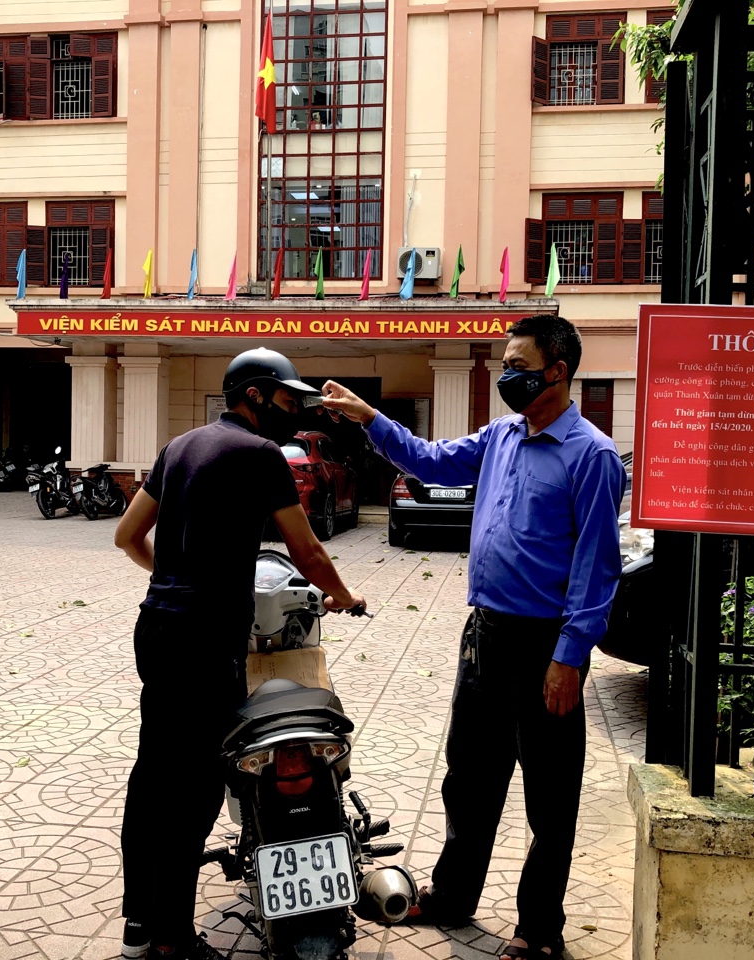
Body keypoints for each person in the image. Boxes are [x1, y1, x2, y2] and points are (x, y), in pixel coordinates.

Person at [320, 314, 625, 960]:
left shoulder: (592, 456)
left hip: (546, 647)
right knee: (470, 778)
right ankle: (454, 895)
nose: (507, 376)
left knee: (549, 797)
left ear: (557, 372)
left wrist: (569, 657)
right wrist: (369, 418)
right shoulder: (501, 436)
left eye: (518, 366)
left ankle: (539, 930)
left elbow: (597, 567)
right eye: (505, 365)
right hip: (484, 635)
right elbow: (429, 461)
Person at [114, 347, 367, 960]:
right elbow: (307, 551)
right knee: (197, 785)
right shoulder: (261, 454)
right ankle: (172, 938)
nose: (294, 410)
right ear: (254, 394)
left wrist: (175, 580)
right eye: (287, 398)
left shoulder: (179, 447)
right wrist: (345, 597)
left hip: (158, 628)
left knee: (154, 774)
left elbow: (126, 535)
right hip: (206, 640)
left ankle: (139, 921)